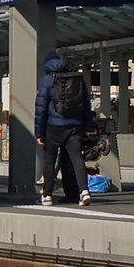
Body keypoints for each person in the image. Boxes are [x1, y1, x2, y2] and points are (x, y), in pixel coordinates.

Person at [34, 51, 97, 206]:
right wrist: (86, 127)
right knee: (77, 159)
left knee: (49, 161)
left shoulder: (46, 80)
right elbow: (86, 104)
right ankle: (84, 191)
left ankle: (47, 195)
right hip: (74, 126)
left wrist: (39, 133)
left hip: (53, 127)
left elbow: (41, 109)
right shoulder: (77, 79)